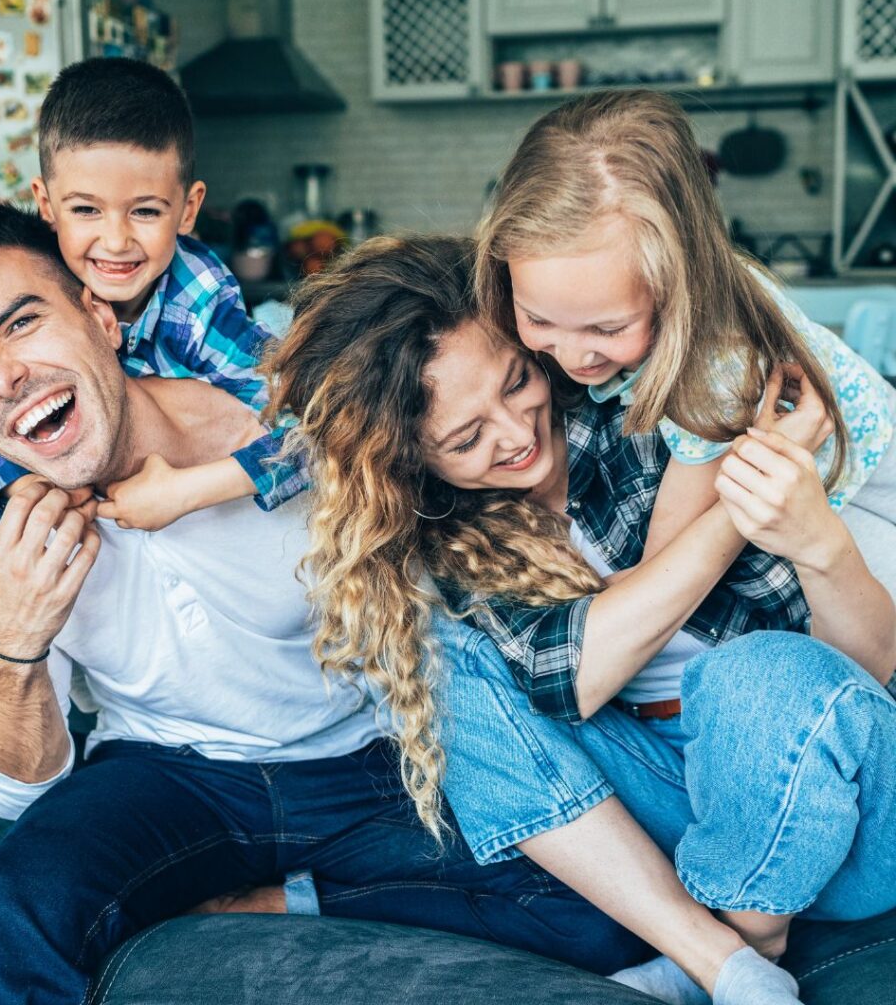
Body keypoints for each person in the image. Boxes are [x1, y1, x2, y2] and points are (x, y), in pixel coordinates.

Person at [0, 206, 644, 1005]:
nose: (2, 378)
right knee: (11, 906)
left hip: (371, 760)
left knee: (603, 910)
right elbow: (16, 794)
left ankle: (288, 897)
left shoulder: (279, 429)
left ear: (101, 316)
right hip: (168, 773)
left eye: (21, 323)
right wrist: (13, 642)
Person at [262, 234, 896, 1005]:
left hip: (833, 796)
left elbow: (855, 673)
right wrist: (738, 504)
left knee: (754, 676)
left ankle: (744, 934)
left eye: (517, 380)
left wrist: (737, 474)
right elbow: (577, 679)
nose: (516, 432)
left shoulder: (652, 410)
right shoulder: (456, 539)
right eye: (465, 439)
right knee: (434, 661)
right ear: (412, 465)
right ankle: (718, 961)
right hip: (676, 804)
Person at [475, 89, 896, 597]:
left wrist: (554, 597)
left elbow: (664, 570)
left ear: (678, 285)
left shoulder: (715, 369)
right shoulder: (661, 292)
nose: (572, 357)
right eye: (538, 319)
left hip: (871, 484)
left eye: (608, 331)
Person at [0, 57, 304, 524]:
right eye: (86, 210)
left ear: (188, 210)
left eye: (145, 212)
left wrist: (183, 492)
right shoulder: (33, 281)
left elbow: (310, 437)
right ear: (46, 205)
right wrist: (24, 486)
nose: (116, 241)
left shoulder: (197, 300)